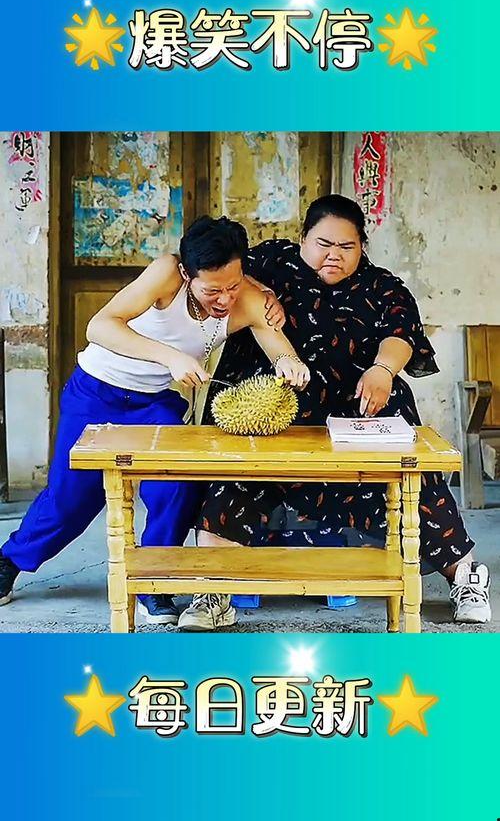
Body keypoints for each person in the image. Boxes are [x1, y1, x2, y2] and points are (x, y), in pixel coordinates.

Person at [178, 195, 491, 631]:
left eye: (347, 246)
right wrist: (256, 289)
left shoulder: (382, 286)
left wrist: (383, 369)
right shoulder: (271, 262)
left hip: (360, 412)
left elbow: (402, 333)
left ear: (362, 246)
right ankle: (213, 590)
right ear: (302, 237)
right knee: (234, 480)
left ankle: (467, 578)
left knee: (417, 483)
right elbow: (217, 272)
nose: (334, 255)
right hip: (275, 414)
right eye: (323, 243)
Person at [0, 215, 309, 625]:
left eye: (233, 286)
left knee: (178, 484)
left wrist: (290, 364)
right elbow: (100, 327)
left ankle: (154, 582)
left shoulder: (249, 299)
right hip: (96, 391)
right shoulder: (166, 273)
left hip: (155, 403)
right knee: (71, 497)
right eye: (212, 290)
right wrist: (169, 356)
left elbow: (280, 349)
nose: (225, 299)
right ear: (187, 274)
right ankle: (10, 561)